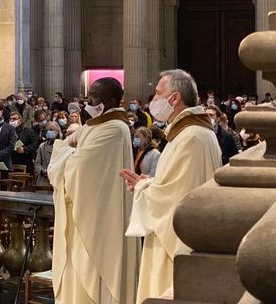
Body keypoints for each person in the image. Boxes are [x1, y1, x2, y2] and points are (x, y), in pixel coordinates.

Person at [121, 69, 222, 302]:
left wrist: (144, 189)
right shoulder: (189, 133)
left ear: (174, 98)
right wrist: (149, 182)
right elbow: (177, 184)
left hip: (175, 246)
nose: (153, 100)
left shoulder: (192, 137)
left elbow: (181, 198)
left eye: (158, 94)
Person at [47, 78, 139, 304]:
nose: (88, 100)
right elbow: (62, 146)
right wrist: (70, 151)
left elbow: (78, 166)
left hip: (100, 216)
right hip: (83, 210)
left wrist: (70, 152)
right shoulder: (93, 125)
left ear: (109, 101)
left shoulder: (115, 128)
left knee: (94, 275)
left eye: (94, 96)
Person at [34, 121, 62, 187]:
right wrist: (42, 171)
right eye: (47, 130)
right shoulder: (42, 146)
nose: (49, 132)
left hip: (57, 180)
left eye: (51, 130)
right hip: (43, 180)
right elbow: (37, 163)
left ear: (57, 131)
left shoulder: (62, 146)